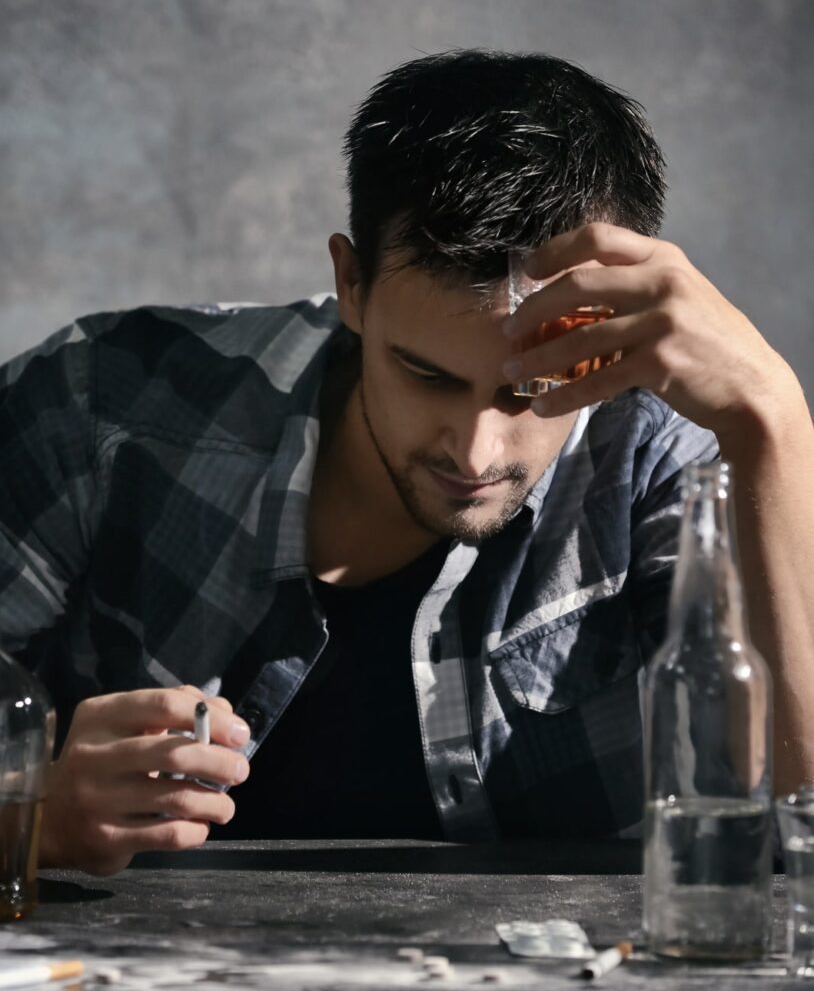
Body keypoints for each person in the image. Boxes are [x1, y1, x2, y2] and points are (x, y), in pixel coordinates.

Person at [1, 50, 812, 877]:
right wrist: (26, 818)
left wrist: (776, 421)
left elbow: (800, 838)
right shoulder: (100, 405)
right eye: (427, 374)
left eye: (536, 390)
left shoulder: (663, 456)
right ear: (351, 284)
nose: (476, 451)